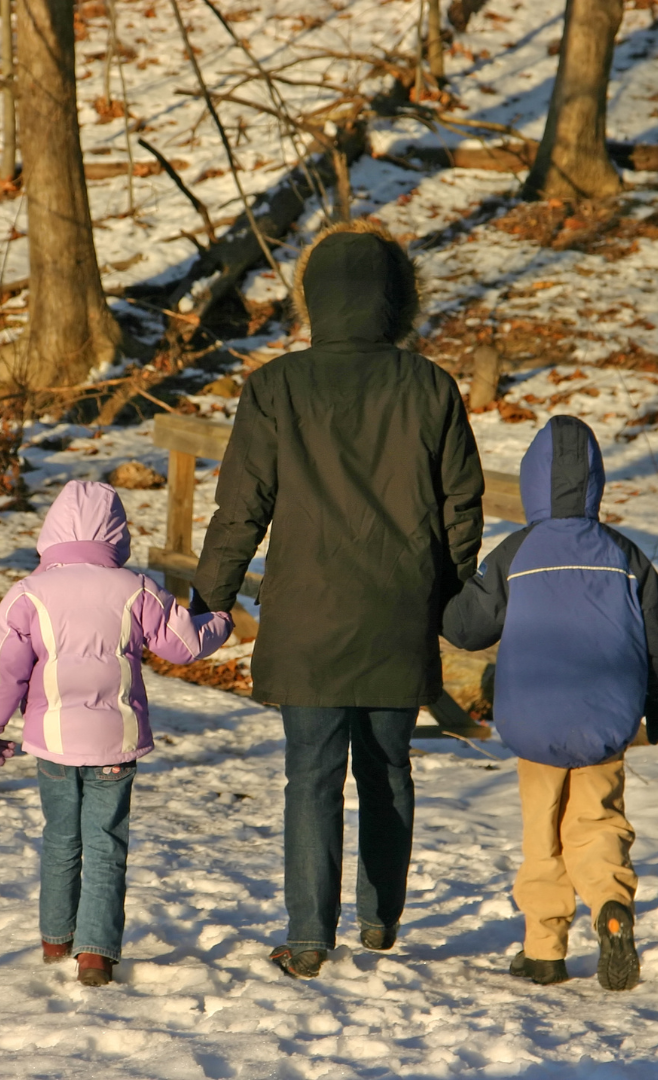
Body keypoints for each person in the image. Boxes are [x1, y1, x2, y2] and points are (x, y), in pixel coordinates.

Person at [192, 220, 485, 979]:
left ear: (315, 297)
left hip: (309, 618)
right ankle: (381, 919)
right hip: (398, 612)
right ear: (397, 298)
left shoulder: (275, 387)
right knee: (388, 770)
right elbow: (462, 503)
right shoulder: (429, 386)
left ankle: (309, 934)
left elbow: (241, 507)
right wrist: (449, 593)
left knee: (311, 776)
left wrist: (208, 598)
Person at [442, 415, 658, 990]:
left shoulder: (516, 552)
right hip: (606, 716)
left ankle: (544, 950)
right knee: (598, 821)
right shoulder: (625, 555)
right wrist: (657, 707)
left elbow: (466, 630)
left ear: (532, 482)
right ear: (596, 481)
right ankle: (610, 907)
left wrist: (448, 590)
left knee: (543, 830)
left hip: (534, 718)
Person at [0, 481, 232, 986]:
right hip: (115, 740)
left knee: (61, 839)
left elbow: (5, 670)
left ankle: (55, 937)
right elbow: (182, 645)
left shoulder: (28, 593)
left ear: (52, 531)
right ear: (117, 532)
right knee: (107, 844)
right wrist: (217, 620)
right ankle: (95, 954)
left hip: (54, 743)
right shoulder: (134, 588)